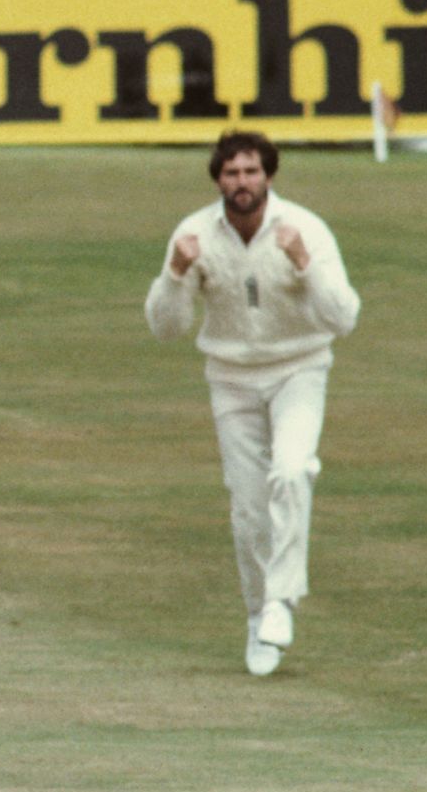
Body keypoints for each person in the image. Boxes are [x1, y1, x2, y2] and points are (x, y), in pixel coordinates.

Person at [146, 130, 361, 678]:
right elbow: (164, 328)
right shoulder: (194, 234)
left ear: (269, 176)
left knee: (291, 472)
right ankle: (255, 615)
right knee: (247, 507)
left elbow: (345, 318)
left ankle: (280, 602)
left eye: (251, 173)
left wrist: (305, 264)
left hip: (300, 368)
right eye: (231, 174)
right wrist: (173, 272)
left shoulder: (303, 229)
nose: (242, 184)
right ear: (218, 179)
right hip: (231, 378)